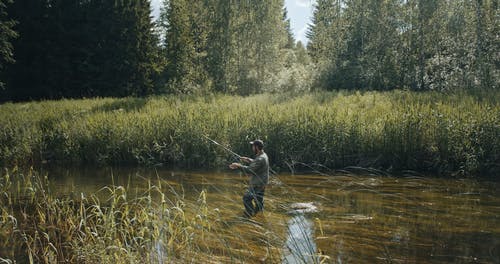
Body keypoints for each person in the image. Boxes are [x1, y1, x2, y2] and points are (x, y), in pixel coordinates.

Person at [229, 140, 269, 217]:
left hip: (257, 184)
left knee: (246, 198)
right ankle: (259, 215)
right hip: (262, 182)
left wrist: (238, 165)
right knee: (259, 200)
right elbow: (256, 162)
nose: (252, 148)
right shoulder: (263, 155)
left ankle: (248, 215)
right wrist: (248, 159)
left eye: (253, 146)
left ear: (256, 147)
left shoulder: (260, 158)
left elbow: (249, 170)